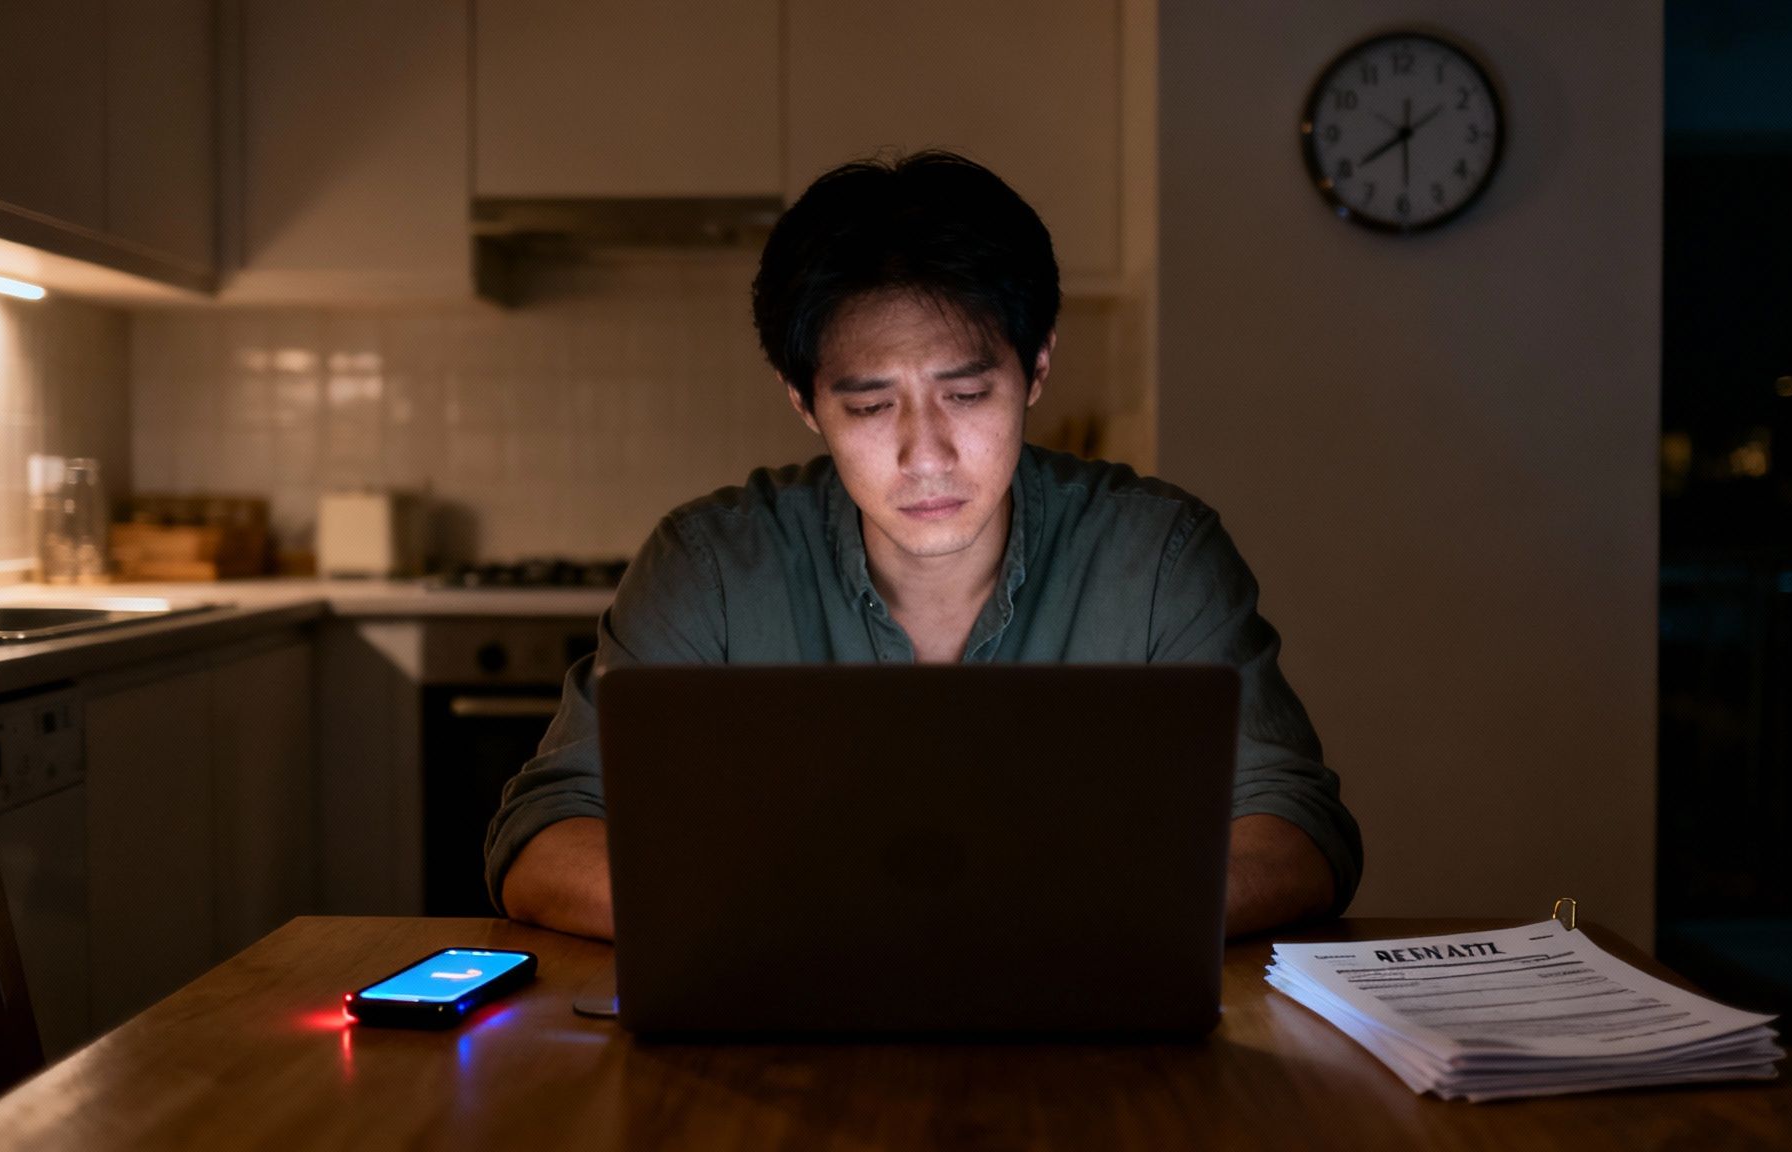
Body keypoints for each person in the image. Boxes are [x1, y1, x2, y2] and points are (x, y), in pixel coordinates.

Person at [486, 151, 1362, 941]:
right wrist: (777, 919)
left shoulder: (1157, 557)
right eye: (869, 408)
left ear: (1038, 369)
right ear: (804, 402)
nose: (926, 455)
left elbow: (1295, 831)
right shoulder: (709, 568)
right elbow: (547, 830)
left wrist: (1062, 916)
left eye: (968, 395)